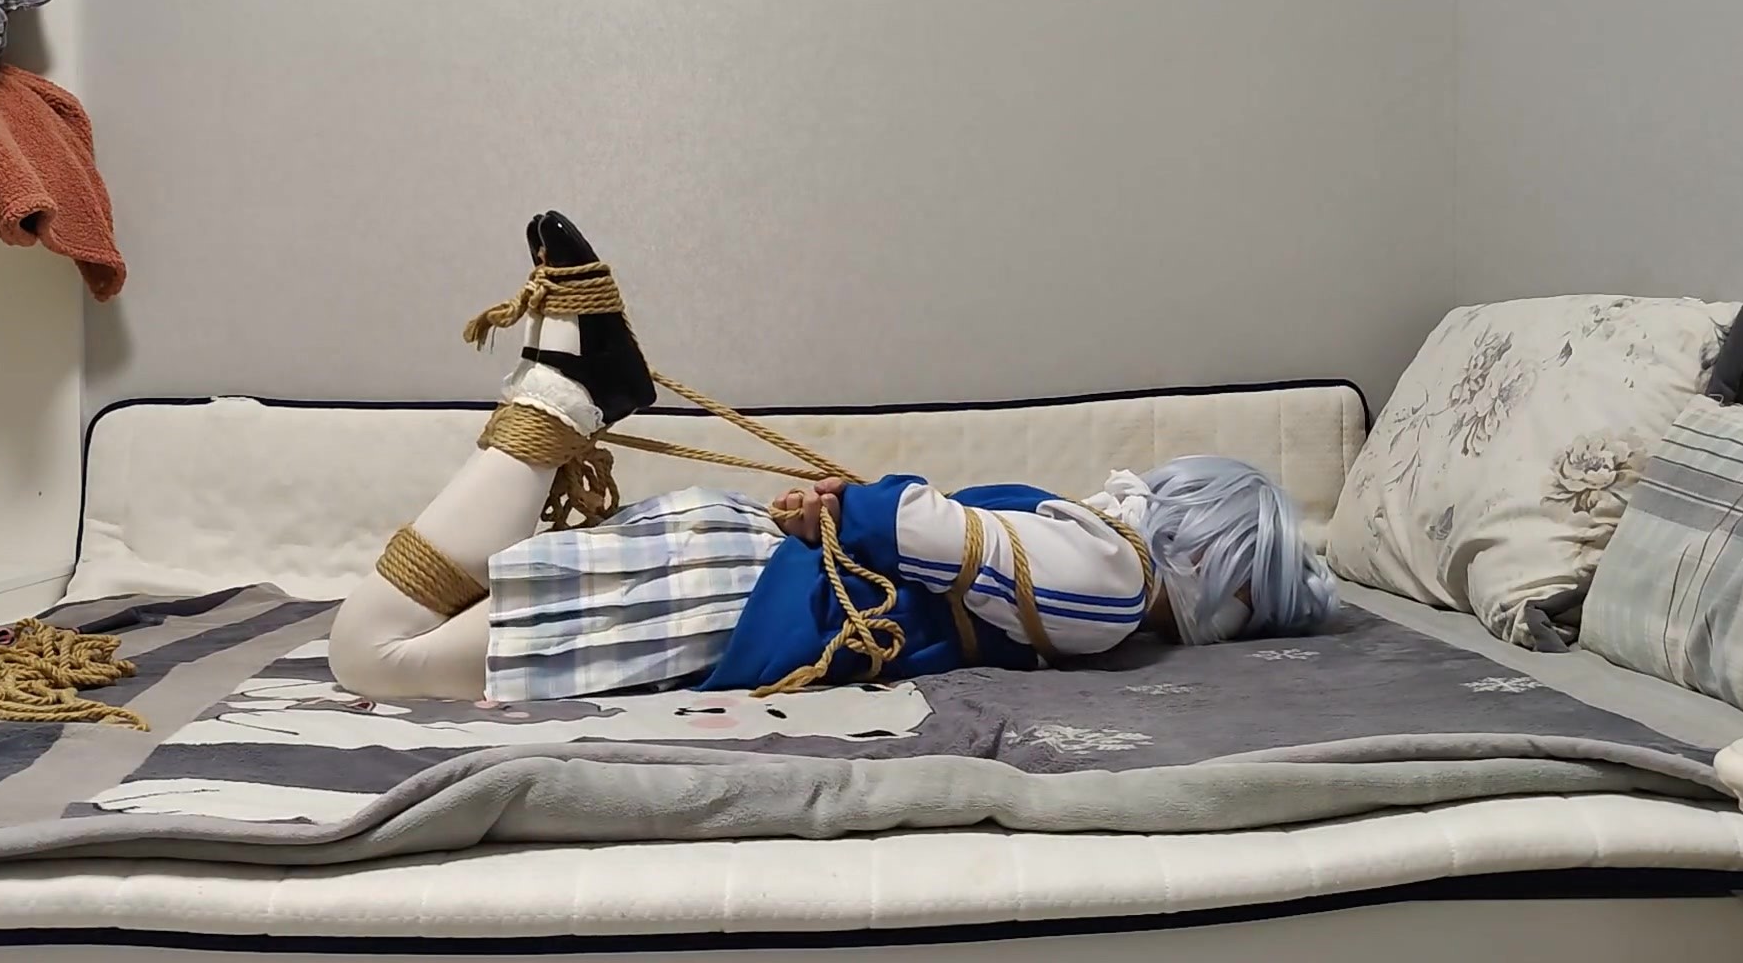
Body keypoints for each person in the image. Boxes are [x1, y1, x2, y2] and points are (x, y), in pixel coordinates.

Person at [329, 213, 1339, 703]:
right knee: (372, 656)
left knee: (412, 630)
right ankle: (566, 390)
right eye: (1252, 601)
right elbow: (946, 536)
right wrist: (856, 516)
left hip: (734, 573)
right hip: (729, 598)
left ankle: (568, 390)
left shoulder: (1090, 539)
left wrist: (844, 522)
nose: (1236, 626)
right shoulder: (1115, 584)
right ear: (1216, 566)